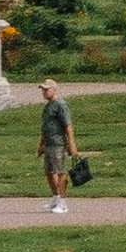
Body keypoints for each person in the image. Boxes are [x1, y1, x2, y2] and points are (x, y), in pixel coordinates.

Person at [37, 76, 78, 213]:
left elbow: (68, 126)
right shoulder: (48, 106)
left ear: (54, 90)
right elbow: (45, 126)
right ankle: (55, 197)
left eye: (46, 90)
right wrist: (41, 144)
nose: (44, 92)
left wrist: (71, 144)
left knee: (60, 171)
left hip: (58, 144)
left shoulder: (60, 104)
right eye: (43, 90)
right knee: (49, 172)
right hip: (48, 143)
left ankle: (63, 202)